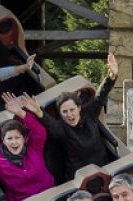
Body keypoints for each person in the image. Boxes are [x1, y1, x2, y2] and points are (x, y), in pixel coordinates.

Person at [17, 52, 119, 181]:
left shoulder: (89, 114)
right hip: (80, 178)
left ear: (79, 108)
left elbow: (101, 96)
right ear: (60, 113)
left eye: (72, 110)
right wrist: (39, 112)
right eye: (64, 112)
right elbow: (52, 125)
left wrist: (111, 76)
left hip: (104, 169)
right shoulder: (62, 128)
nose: (69, 115)